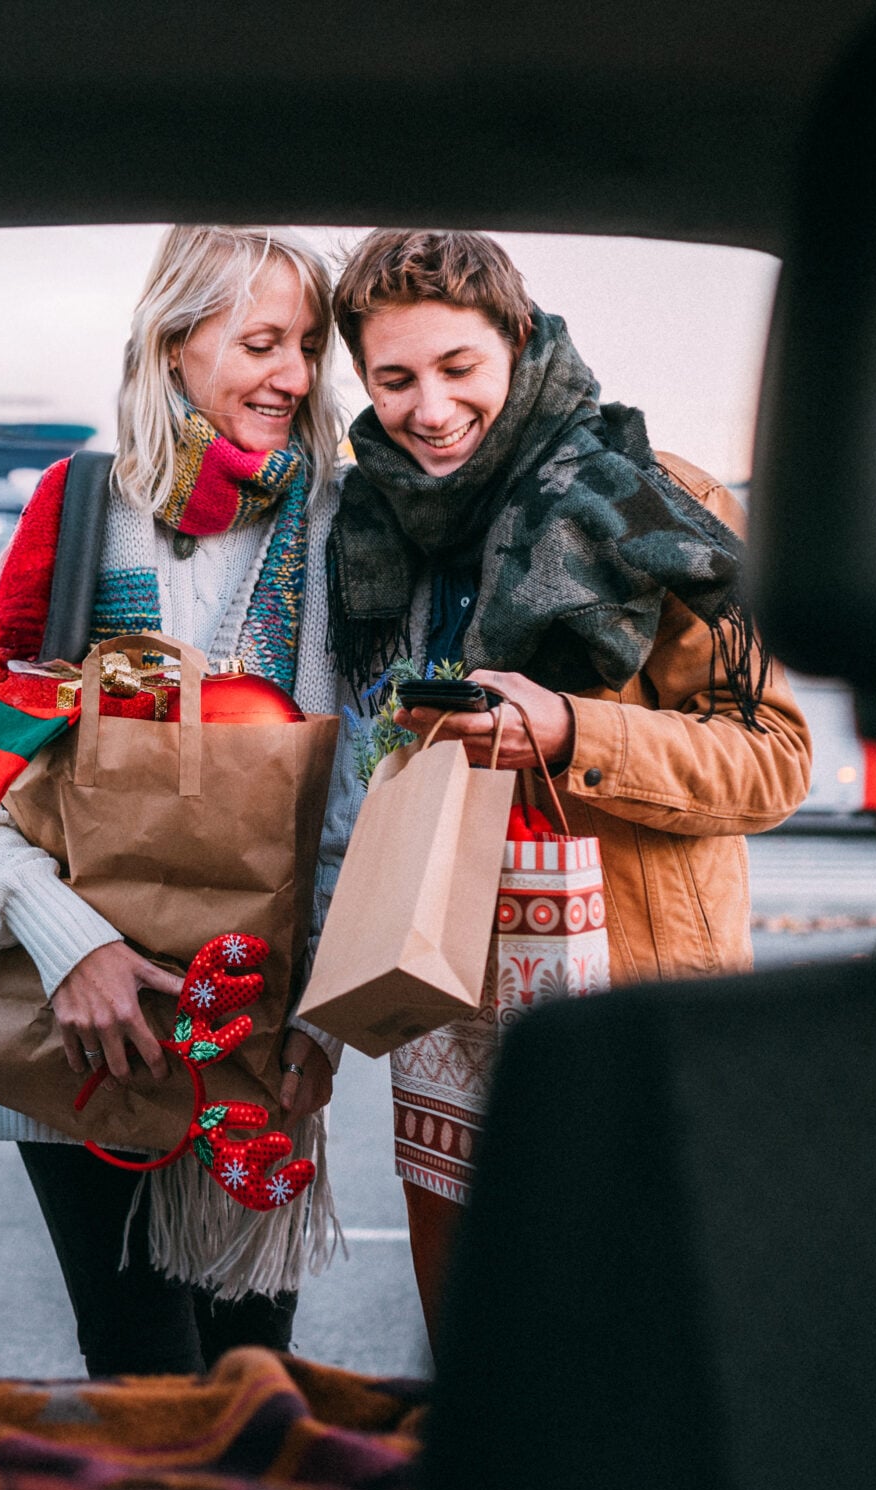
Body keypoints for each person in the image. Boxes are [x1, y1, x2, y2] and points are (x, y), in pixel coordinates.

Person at [326, 229, 813, 1341]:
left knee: (639, 1357)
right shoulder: (380, 530)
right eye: (393, 378)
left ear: (517, 341)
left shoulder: (654, 498)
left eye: (458, 368)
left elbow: (773, 752)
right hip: (449, 1011)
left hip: (631, 1002)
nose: (428, 407)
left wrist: (569, 727)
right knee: (478, 1357)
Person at [0, 226, 355, 1377]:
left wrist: (326, 1017)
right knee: (139, 1371)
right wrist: (69, 942)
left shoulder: (337, 531)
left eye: (307, 345)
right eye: (261, 341)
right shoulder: (72, 516)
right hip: (80, 1038)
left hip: (258, 1034)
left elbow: (361, 795)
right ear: (171, 347)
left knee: (256, 1368)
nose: (295, 376)